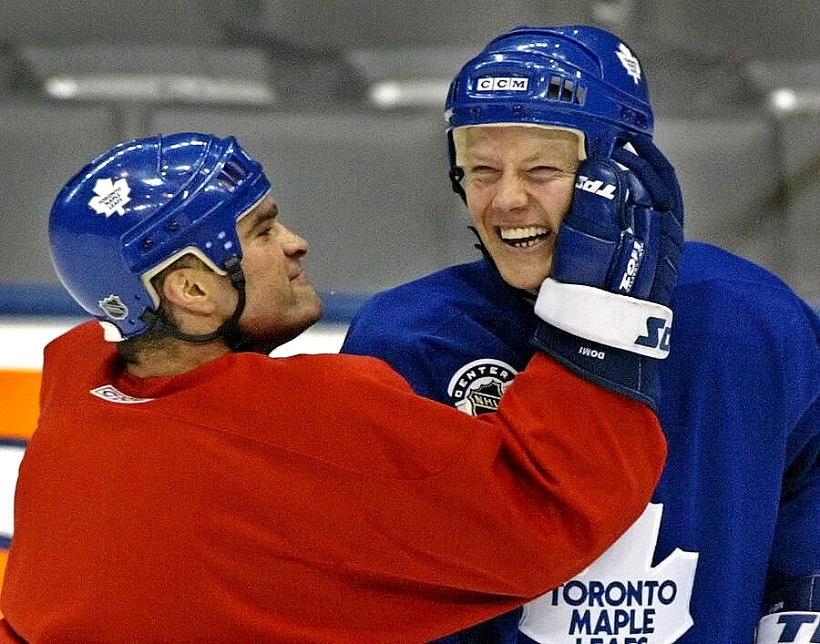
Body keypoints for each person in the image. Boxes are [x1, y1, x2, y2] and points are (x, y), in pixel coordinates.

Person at [0, 132, 675, 643]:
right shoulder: (299, 419)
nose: (295, 243)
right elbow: (544, 509)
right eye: (262, 230)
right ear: (193, 289)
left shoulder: (76, 400)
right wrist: (600, 320)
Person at [341, 25, 820, 644]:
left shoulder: (752, 318)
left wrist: (800, 605)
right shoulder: (408, 338)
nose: (506, 200)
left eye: (541, 169)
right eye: (482, 169)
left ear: (627, 172)